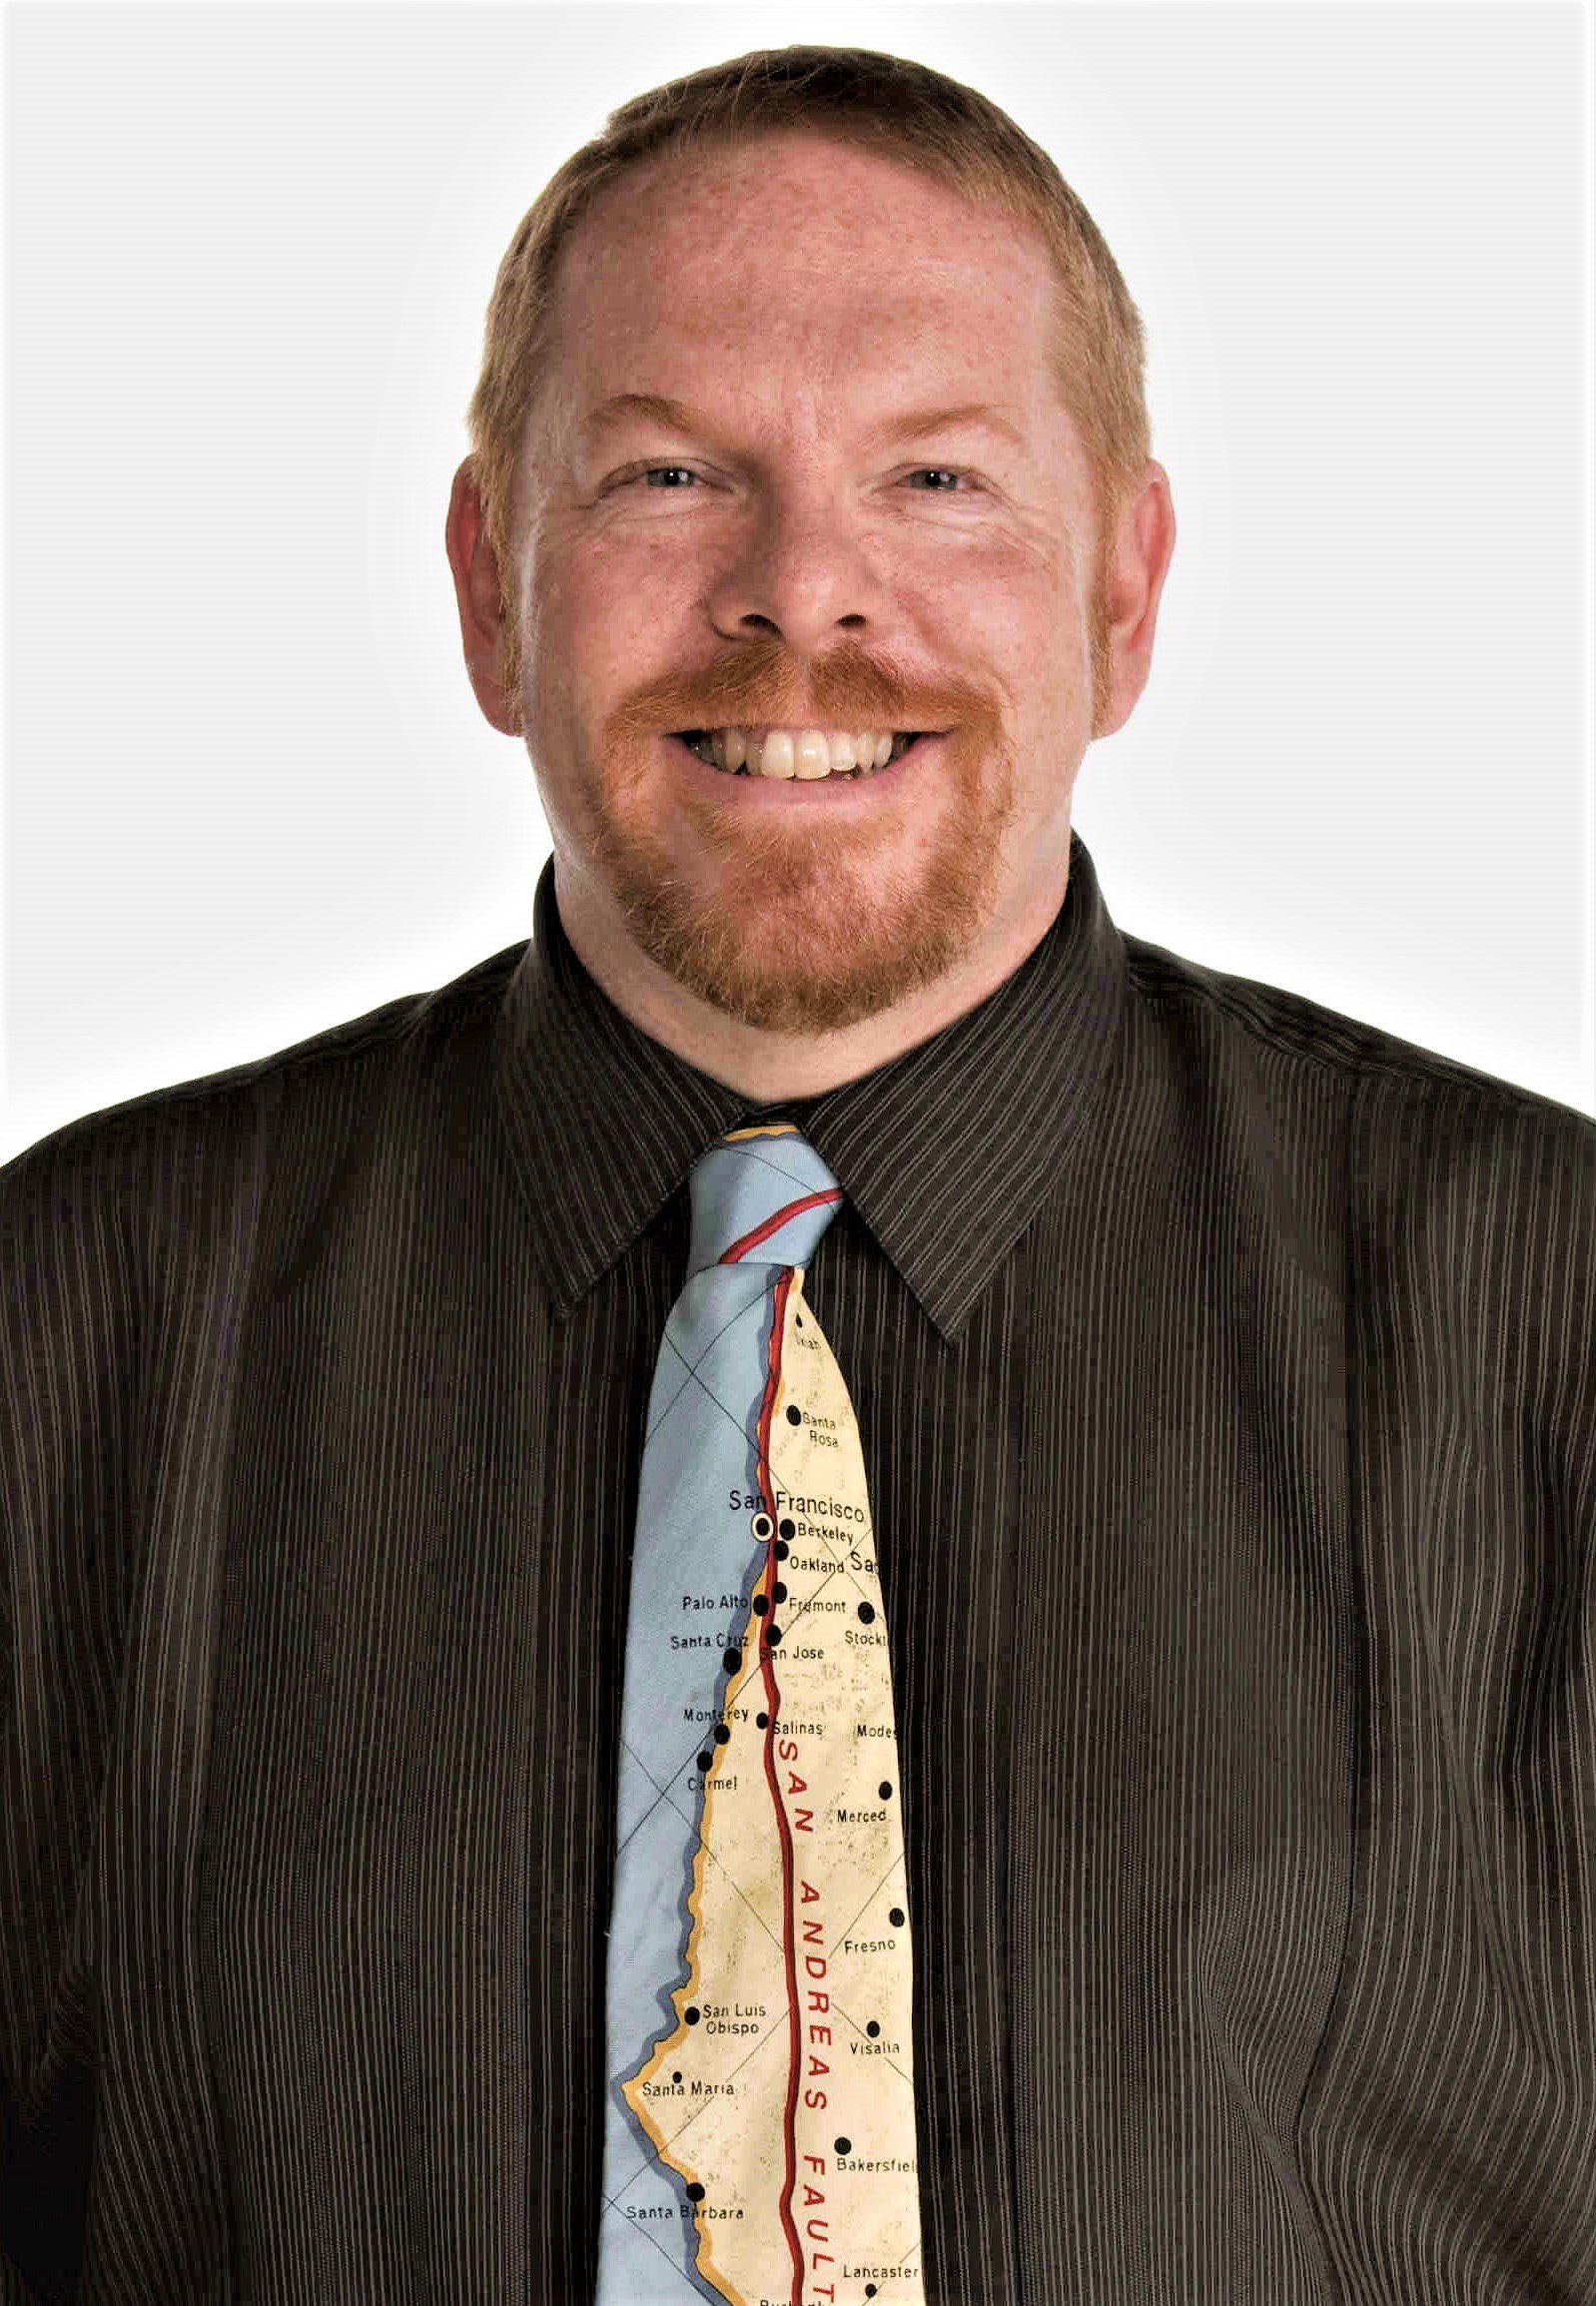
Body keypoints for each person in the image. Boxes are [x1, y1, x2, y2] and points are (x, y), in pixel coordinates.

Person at [2, 41, 1591, 2306]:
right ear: (488, 586)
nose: (802, 596)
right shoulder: (67, 1330)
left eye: (935, 477)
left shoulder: (1549, 1319)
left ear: (1122, 592)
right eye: (669, 476)